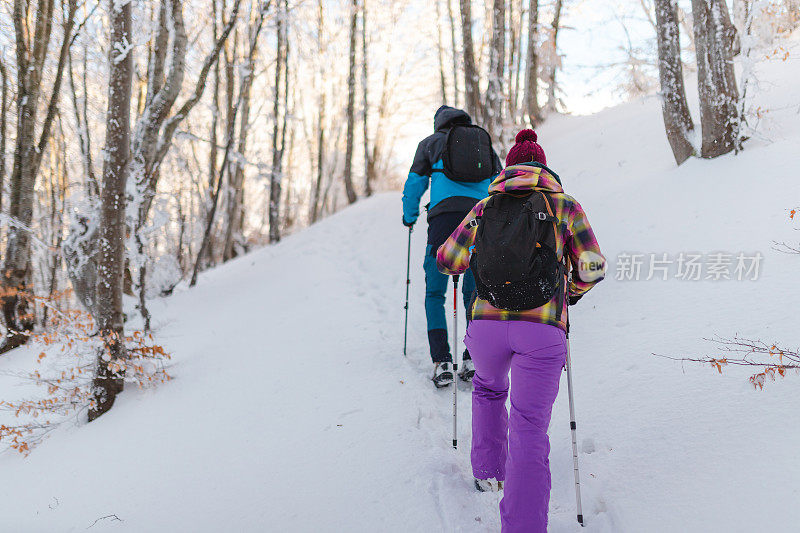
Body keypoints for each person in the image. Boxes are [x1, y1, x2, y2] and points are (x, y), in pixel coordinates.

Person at [436, 129, 605, 532]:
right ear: (544, 166)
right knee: (529, 426)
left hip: (488, 328)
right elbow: (593, 266)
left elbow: (448, 259)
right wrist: (571, 294)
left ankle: (488, 470)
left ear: (509, 167)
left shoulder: (484, 206)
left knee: (488, 388)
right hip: (541, 331)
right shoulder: (565, 206)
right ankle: (524, 526)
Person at [402, 105, 502, 388]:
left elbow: (414, 183)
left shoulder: (430, 144)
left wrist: (409, 216)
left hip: (443, 221)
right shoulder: (483, 145)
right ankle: (472, 358)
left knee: (435, 292)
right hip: (479, 220)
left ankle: (442, 361)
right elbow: (499, 181)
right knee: (475, 290)